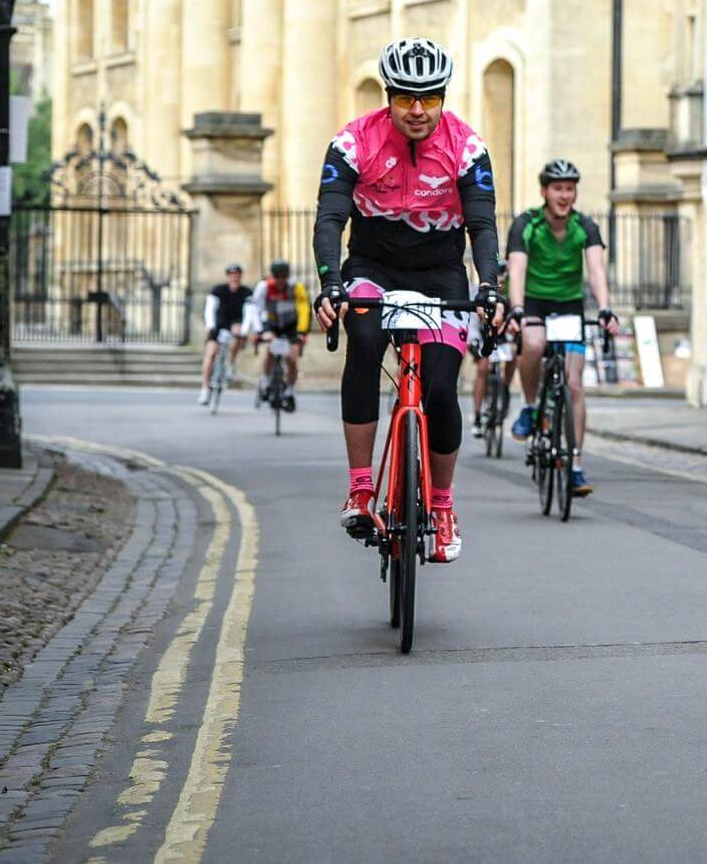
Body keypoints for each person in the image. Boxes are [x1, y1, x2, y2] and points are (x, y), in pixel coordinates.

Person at [313, 38, 506, 565]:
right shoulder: (353, 142)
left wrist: (488, 286)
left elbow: (483, 225)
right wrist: (331, 281)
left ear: (443, 96)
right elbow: (330, 219)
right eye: (405, 98)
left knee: (441, 388)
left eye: (429, 98)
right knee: (365, 343)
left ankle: (442, 507)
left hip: (441, 275)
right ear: (388, 95)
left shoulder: (467, 147)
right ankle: (360, 489)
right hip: (373, 268)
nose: (418, 110)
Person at [506, 159, 619, 498]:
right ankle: (529, 406)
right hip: (535, 302)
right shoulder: (527, 223)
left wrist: (605, 308)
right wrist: (517, 310)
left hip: (570, 304)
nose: (564, 195)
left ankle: (575, 464)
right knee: (534, 344)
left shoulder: (585, 225)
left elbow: (597, 269)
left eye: (569, 189)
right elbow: (517, 269)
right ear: (545, 191)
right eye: (558, 188)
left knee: (573, 384)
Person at [250, 259, 311, 411]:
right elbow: (255, 309)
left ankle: (289, 391)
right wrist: (260, 331)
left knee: (292, 358)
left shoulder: (296, 287)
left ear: (288, 276)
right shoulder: (264, 287)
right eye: (277, 277)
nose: (280, 280)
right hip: (271, 324)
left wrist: (302, 332)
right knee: (270, 351)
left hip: (291, 326)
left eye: (283, 277)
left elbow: (304, 310)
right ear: (273, 276)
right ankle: (265, 381)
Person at [470, 260, 516, 439]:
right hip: (483, 337)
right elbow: (472, 322)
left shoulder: (511, 296)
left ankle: (505, 387)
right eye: (498, 273)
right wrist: (474, 343)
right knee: (482, 369)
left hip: (504, 338)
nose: (501, 278)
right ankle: (477, 416)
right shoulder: (479, 293)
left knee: (514, 357)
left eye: (504, 273)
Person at [198, 263, 251, 405]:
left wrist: (244, 330)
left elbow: (249, 313)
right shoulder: (218, 290)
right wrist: (210, 326)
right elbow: (210, 309)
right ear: (228, 276)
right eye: (232, 275)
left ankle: (232, 363)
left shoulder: (246, 292)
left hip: (235, 324)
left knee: (239, 334)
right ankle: (204, 387)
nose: (234, 278)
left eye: (237, 275)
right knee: (210, 353)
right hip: (219, 324)